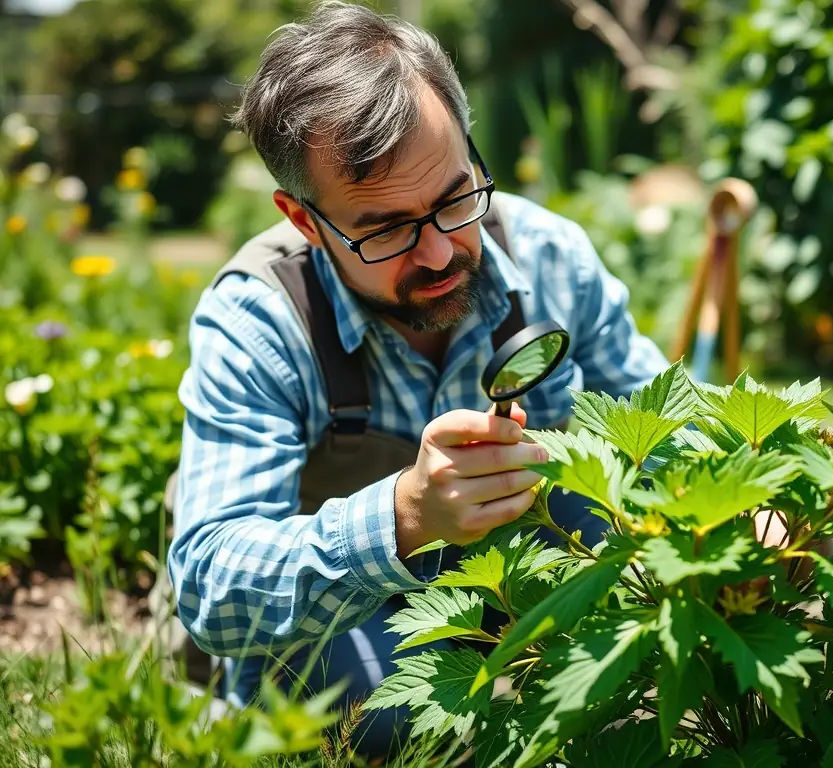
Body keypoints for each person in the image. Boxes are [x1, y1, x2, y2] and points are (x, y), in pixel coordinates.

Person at [165, 0, 671, 758]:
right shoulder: (260, 319)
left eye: (452, 199)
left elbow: (668, 424)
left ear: (468, 147)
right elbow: (211, 587)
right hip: (347, 627)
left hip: (516, 582)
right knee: (389, 719)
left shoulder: (550, 257)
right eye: (386, 228)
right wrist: (400, 518)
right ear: (304, 220)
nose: (437, 254)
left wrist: (754, 514)